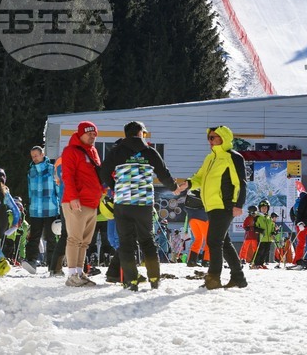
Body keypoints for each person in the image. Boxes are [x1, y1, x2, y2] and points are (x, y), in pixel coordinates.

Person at [100, 121, 185, 291]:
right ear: (140, 133)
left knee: (126, 243)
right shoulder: (149, 152)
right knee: (147, 240)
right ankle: (154, 279)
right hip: (144, 203)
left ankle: (131, 281)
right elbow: (163, 173)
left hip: (123, 202)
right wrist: (175, 188)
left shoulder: (116, 151)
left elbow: (102, 171)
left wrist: (115, 187)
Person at [187, 125, 247, 289]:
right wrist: (187, 184)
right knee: (223, 242)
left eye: (213, 137)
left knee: (213, 241)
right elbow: (199, 178)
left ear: (224, 138)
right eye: (209, 138)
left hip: (225, 205)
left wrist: (238, 204)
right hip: (211, 206)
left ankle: (213, 279)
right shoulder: (210, 158)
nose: (210, 141)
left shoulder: (233, 157)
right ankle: (238, 278)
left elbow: (240, 182)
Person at [61, 121, 105, 287]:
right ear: (80, 133)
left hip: (92, 203)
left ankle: (79, 272)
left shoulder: (92, 151)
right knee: (74, 239)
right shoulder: (70, 151)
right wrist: (73, 197)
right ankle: (72, 275)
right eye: (89, 134)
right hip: (76, 202)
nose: (93, 137)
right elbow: (68, 176)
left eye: (95, 134)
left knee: (85, 241)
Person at [24, 146, 60, 275]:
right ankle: (31, 261)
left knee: (50, 238)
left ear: (42, 154)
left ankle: (53, 265)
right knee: (34, 237)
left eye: (36, 155)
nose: (34, 158)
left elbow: (58, 189)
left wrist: (60, 207)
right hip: (35, 210)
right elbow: (29, 191)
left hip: (50, 209)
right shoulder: (31, 171)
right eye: (32, 156)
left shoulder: (52, 169)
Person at [252, 199, 276, 268]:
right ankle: (256, 263)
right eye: (262, 208)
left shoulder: (269, 218)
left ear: (268, 209)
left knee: (266, 252)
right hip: (261, 238)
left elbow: (272, 227)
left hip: (268, 238)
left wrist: (273, 232)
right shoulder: (258, 217)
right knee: (260, 251)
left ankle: (261, 263)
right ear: (260, 209)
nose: (264, 209)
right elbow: (254, 227)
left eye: (265, 208)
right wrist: (260, 230)